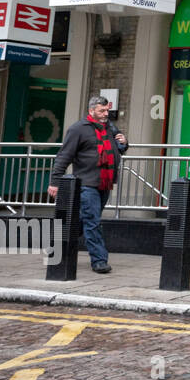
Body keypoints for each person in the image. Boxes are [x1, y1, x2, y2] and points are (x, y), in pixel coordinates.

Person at [48, 96, 127, 274]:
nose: (106, 114)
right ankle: (99, 260)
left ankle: (60, 244)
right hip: (86, 183)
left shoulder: (110, 128)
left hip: (105, 183)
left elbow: (117, 149)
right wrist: (55, 182)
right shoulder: (78, 129)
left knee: (85, 221)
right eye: (102, 111)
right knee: (93, 222)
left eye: (107, 110)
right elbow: (64, 156)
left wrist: (124, 142)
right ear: (91, 111)